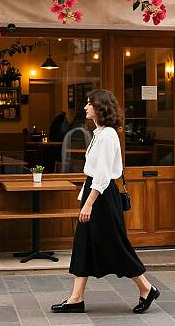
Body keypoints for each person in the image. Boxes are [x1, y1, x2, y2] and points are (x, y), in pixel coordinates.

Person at [51, 89, 160, 315]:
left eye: (89, 103)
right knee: (83, 245)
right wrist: (85, 198)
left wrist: (89, 202)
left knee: (115, 245)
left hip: (101, 197)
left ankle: (146, 288)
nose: (85, 107)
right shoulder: (100, 133)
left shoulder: (108, 135)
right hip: (95, 193)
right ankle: (76, 298)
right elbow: (94, 174)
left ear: (100, 107)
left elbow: (102, 175)